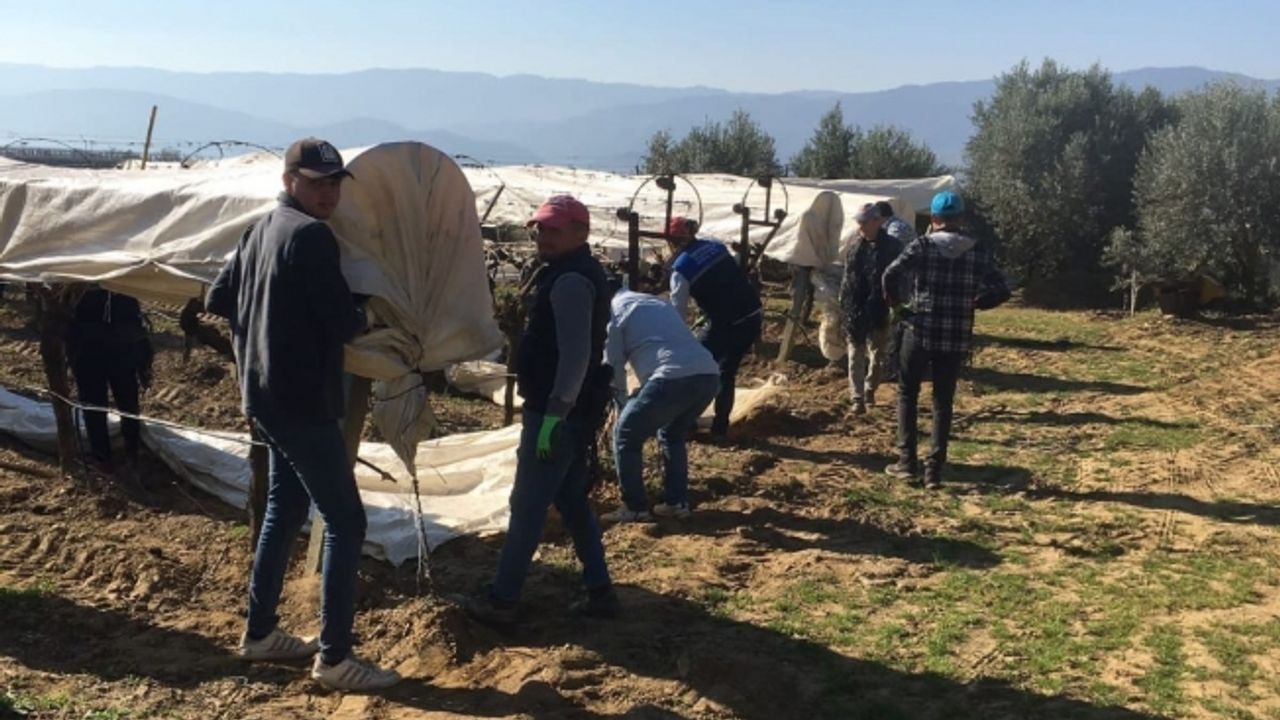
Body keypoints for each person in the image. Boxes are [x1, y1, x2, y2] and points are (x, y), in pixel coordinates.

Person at [206, 138, 400, 691]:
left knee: (284, 508)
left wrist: (268, 324)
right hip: (302, 400)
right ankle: (336, 659)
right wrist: (368, 309)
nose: (329, 192)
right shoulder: (313, 236)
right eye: (319, 182)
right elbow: (343, 324)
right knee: (345, 520)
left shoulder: (259, 228)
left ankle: (261, 634)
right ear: (291, 180)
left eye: (336, 182)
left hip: (262, 395)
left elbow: (220, 299)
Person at [455, 195, 618, 625]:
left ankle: (502, 600)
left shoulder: (569, 283)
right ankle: (600, 589)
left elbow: (575, 356)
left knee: (526, 505)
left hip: (557, 414)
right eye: (541, 229)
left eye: (554, 230)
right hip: (571, 411)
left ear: (581, 233)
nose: (544, 237)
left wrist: (553, 418)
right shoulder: (571, 272)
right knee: (570, 500)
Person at [881, 191, 1010, 489]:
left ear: (935, 219)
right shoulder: (978, 251)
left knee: (907, 394)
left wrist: (900, 308)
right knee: (943, 401)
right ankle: (934, 471)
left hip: (920, 331)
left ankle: (906, 463)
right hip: (955, 336)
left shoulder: (922, 246)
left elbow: (890, 275)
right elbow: (1003, 289)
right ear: (961, 218)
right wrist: (979, 302)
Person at [599, 289, 721, 523]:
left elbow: (613, 362)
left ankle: (634, 507)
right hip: (708, 374)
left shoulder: (613, 311)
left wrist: (621, 400)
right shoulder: (657, 304)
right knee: (672, 433)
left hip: (669, 378)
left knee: (626, 435)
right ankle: (676, 503)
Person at [666, 216, 763, 437]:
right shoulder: (716, 246)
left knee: (691, 366)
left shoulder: (681, 270)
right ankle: (720, 428)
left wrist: (677, 342)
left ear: (672, 242)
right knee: (726, 372)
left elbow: (678, 311)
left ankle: (685, 423)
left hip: (726, 323)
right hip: (752, 315)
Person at [67, 287, 153, 474]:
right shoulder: (83, 285)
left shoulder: (115, 283)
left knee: (120, 403)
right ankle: (111, 456)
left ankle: (124, 454)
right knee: (102, 404)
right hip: (97, 346)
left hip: (109, 345)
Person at [839, 203, 902, 416]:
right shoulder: (855, 247)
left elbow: (900, 278)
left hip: (881, 306)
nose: (861, 227)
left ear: (877, 221)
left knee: (877, 353)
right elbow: (848, 277)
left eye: (864, 222)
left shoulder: (893, 247)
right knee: (855, 352)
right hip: (855, 306)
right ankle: (856, 397)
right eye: (859, 223)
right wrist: (843, 302)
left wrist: (897, 304)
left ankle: (870, 388)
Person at [874, 200, 917, 384]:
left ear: (881, 217)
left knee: (894, 324)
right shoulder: (900, 225)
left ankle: (892, 369)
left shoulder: (895, 231)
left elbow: (891, 260)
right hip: (905, 283)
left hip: (901, 284)